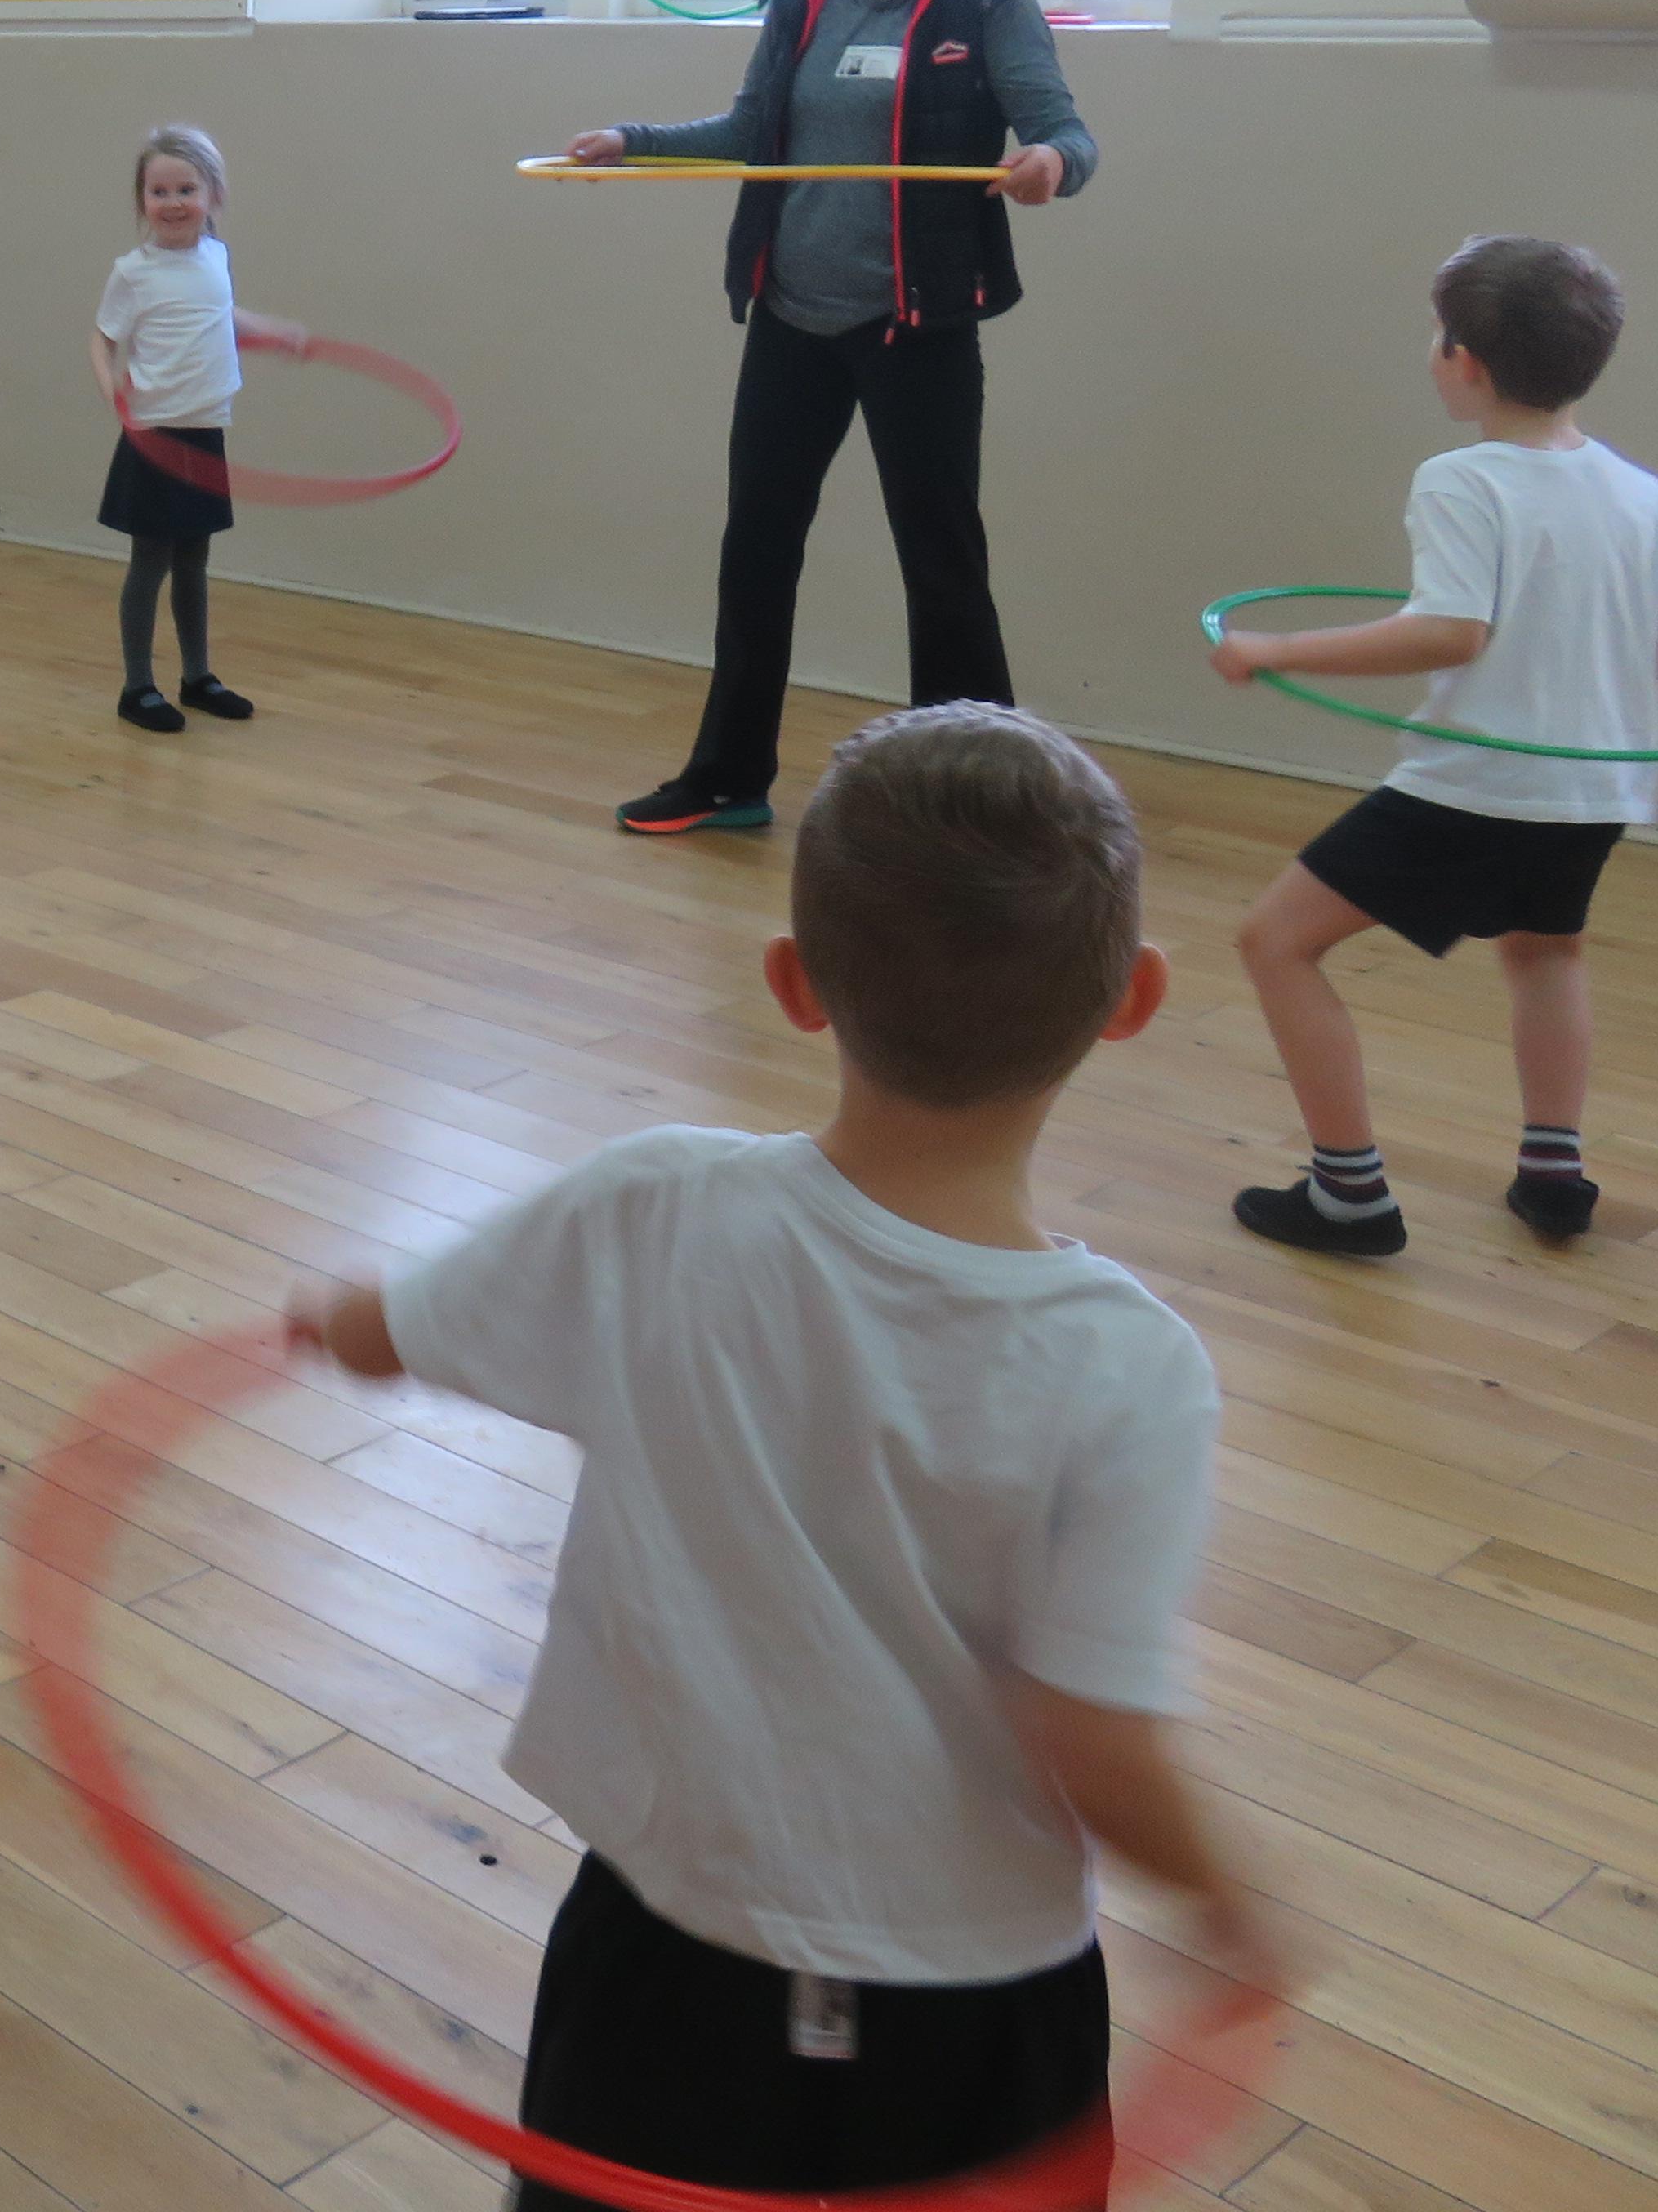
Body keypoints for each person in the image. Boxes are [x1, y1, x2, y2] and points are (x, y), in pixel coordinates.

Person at [287, 704, 1268, 2206]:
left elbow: (384, 1331)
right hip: (975, 1996)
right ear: (1131, 997)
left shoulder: (651, 1206)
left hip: (664, 1948)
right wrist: (1224, 1901)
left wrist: (323, 1317)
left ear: (794, 983)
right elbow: (1095, 1733)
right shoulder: (1130, 1367)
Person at [555, 0, 1100, 838]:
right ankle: (728, 777)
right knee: (756, 549)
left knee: (942, 566)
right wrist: (634, 141)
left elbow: (1067, 133)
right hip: (793, 317)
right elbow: (752, 128)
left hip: (916, 322)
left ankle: (977, 804)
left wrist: (1048, 164)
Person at [1221, 238, 1658, 1255]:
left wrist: (1274, 649)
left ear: (1463, 361)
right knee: (1546, 950)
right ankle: (1554, 1173)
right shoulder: (1641, 491)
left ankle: (1349, 1197)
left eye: (1437, 336)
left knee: (1276, 942)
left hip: (1478, 785)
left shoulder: (1462, 481)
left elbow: (1448, 632)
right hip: (1595, 791)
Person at [91, 126, 305, 733]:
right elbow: (102, 338)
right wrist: (111, 387)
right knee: (151, 559)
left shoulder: (215, 257)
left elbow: (218, 315)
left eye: (186, 189)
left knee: (194, 558)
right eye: (159, 191)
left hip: (205, 428)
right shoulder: (133, 272)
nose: (173, 202)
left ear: (214, 195)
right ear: (142, 201)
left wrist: (271, 331)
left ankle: (198, 677)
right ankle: (138, 687)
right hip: (155, 436)